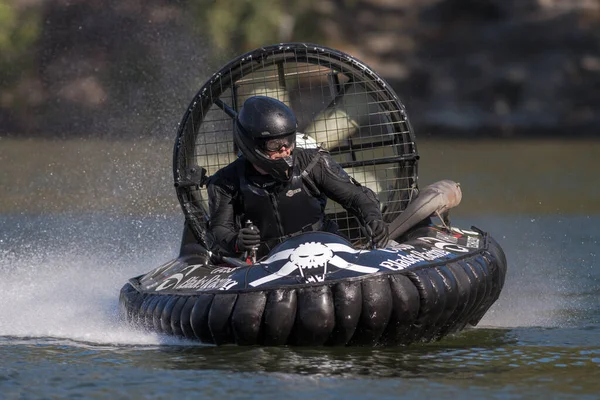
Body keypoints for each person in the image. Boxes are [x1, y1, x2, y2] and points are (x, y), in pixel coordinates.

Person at [205, 96, 389, 259]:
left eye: (288, 140)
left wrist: (373, 218)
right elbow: (219, 230)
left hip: (326, 251)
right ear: (253, 145)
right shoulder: (226, 182)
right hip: (269, 264)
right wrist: (237, 241)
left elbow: (357, 196)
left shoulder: (313, 163)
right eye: (275, 144)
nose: (285, 149)